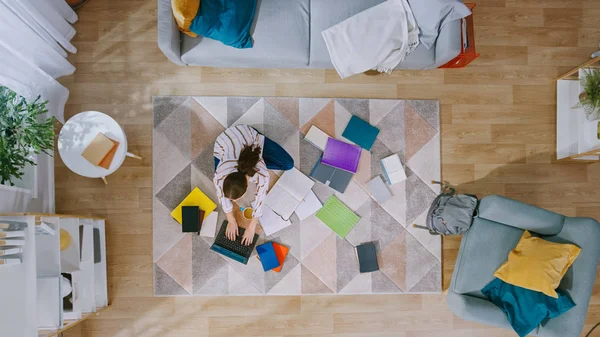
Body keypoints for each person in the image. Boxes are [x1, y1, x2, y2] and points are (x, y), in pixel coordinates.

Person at [213, 125, 294, 245]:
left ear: (247, 186)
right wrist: (231, 220)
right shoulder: (219, 174)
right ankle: (256, 156)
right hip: (223, 144)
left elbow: (260, 199)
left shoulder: (262, 174)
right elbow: (221, 196)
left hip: (247, 134)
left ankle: (256, 154)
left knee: (288, 164)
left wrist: (251, 227)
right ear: (225, 179)